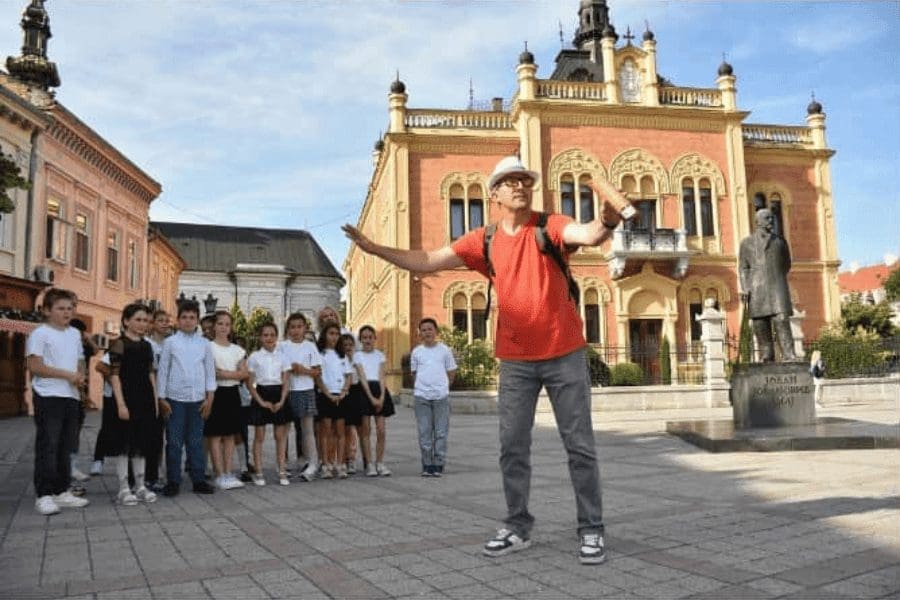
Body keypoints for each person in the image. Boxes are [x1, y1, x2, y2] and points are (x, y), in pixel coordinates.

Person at [343, 154, 626, 564]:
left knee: (579, 446)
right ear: (493, 193)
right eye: (510, 181)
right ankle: (517, 525)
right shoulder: (485, 239)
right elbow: (426, 260)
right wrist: (373, 249)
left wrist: (609, 221)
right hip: (515, 361)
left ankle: (592, 528)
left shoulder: (550, 225)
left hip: (564, 353)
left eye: (525, 180)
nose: (520, 186)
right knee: (512, 447)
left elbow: (590, 232)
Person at [26, 288, 90, 515]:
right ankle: (44, 495)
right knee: (48, 446)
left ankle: (62, 491)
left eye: (70, 308)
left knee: (66, 446)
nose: (67, 312)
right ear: (47, 310)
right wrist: (67, 375)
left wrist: (80, 377)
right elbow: (35, 367)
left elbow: (80, 361)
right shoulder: (40, 334)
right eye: (61, 308)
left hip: (70, 396)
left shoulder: (74, 333)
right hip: (48, 395)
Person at [100, 303, 159, 506]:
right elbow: (113, 376)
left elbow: (151, 373)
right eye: (138, 320)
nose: (143, 324)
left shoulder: (147, 345)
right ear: (126, 321)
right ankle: (123, 488)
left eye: (145, 320)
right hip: (126, 397)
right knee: (124, 444)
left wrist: (155, 399)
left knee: (141, 444)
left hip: (145, 398)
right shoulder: (119, 343)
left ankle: (140, 486)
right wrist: (121, 403)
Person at [157, 299, 217, 496]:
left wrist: (210, 399)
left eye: (192, 317)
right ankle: (173, 480)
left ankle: (198, 479)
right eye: (184, 317)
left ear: (197, 320)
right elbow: (163, 371)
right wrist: (162, 398)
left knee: (196, 442)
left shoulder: (205, 344)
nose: (188, 321)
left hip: (198, 400)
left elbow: (210, 373)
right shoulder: (170, 343)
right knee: (174, 441)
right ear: (178, 320)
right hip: (175, 399)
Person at [738, 208, 796, 362]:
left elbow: (786, 264)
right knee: (760, 323)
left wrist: (775, 275)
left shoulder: (780, 242)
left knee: (782, 319)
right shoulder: (747, 243)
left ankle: (789, 354)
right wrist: (745, 287)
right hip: (757, 288)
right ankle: (766, 355)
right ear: (758, 222)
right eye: (767, 218)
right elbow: (743, 268)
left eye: (772, 218)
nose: (771, 221)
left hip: (777, 287)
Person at [206, 311, 248, 490]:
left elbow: (244, 373)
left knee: (230, 434)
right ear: (214, 326)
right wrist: (233, 374)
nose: (224, 327)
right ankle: (219, 473)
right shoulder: (208, 347)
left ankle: (229, 472)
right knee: (215, 435)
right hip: (215, 393)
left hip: (232, 393)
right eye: (220, 324)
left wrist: (224, 373)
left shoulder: (237, 350)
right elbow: (211, 373)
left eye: (227, 324)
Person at [410, 318, 457, 478]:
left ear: (436, 331)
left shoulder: (445, 350)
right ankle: (427, 464)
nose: (427, 332)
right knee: (424, 432)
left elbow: (451, 371)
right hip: (422, 396)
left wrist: (444, 387)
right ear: (420, 333)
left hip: (441, 397)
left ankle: (438, 463)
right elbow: (414, 373)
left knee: (441, 432)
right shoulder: (416, 352)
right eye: (423, 330)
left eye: (430, 329)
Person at [247, 322, 292, 486]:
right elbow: (250, 383)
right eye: (265, 335)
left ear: (276, 336)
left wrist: (281, 400)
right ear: (260, 337)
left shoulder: (283, 357)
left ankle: (281, 469)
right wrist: (261, 401)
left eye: (272, 335)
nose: (269, 338)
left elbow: (286, 381)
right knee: (259, 436)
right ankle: (258, 471)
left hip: (278, 393)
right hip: (261, 394)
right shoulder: (254, 357)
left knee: (280, 436)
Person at [279, 312, 321, 481]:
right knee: (284, 430)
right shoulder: (283, 346)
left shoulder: (310, 347)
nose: (296, 330)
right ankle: (283, 463)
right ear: (288, 329)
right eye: (292, 327)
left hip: (306, 390)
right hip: (287, 390)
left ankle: (313, 462)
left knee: (307, 430)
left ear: (305, 328)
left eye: (299, 327)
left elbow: (317, 371)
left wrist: (302, 370)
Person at [354, 325, 395, 477]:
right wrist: (371, 397)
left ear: (374, 339)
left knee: (381, 430)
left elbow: (382, 376)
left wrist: (382, 396)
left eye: (370, 337)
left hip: (379, 389)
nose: (367, 340)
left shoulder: (380, 355)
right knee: (365, 430)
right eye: (364, 337)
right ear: (360, 340)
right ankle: (369, 463)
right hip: (364, 391)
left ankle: (380, 462)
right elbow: (362, 377)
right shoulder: (357, 356)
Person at [315, 321, 352, 479]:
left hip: (341, 396)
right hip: (325, 395)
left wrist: (344, 391)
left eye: (337, 334)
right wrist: (328, 394)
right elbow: (317, 376)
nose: (334, 337)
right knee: (325, 431)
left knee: (341, 431)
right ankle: (326, 463)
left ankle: (341, 463)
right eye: (331, 333)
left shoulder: (342, 356)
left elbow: (349, 376)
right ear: (324, 335)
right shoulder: (320, 355)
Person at [68, 318, 98, 490]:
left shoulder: (83, 347)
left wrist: (88, 338)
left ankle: (72, 466)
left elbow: (95, 350)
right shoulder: (67, 347)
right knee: (67, 433)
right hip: (69, 394)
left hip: (80, 394)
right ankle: (67, 469)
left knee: (76, 431)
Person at [143, 309, 171, 492]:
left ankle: (164, 472)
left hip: (170, 394)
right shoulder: (147, 344)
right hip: (150, 394)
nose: (165, 323)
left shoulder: (172, 344)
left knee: (169, 437)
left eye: (167, 320)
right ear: (152, 324)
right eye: (160, 320)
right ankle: (149, 474)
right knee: (152, 437)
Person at [340, 333, 367, 474]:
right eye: (345, 345)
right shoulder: (339, 360)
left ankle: (355, 458)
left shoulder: (358, 359)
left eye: (350, 345)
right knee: (345, 428)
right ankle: (344, 458)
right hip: (344, 393)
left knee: (357, 428)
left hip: (356, 393)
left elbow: (362, 377)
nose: (348, 348)